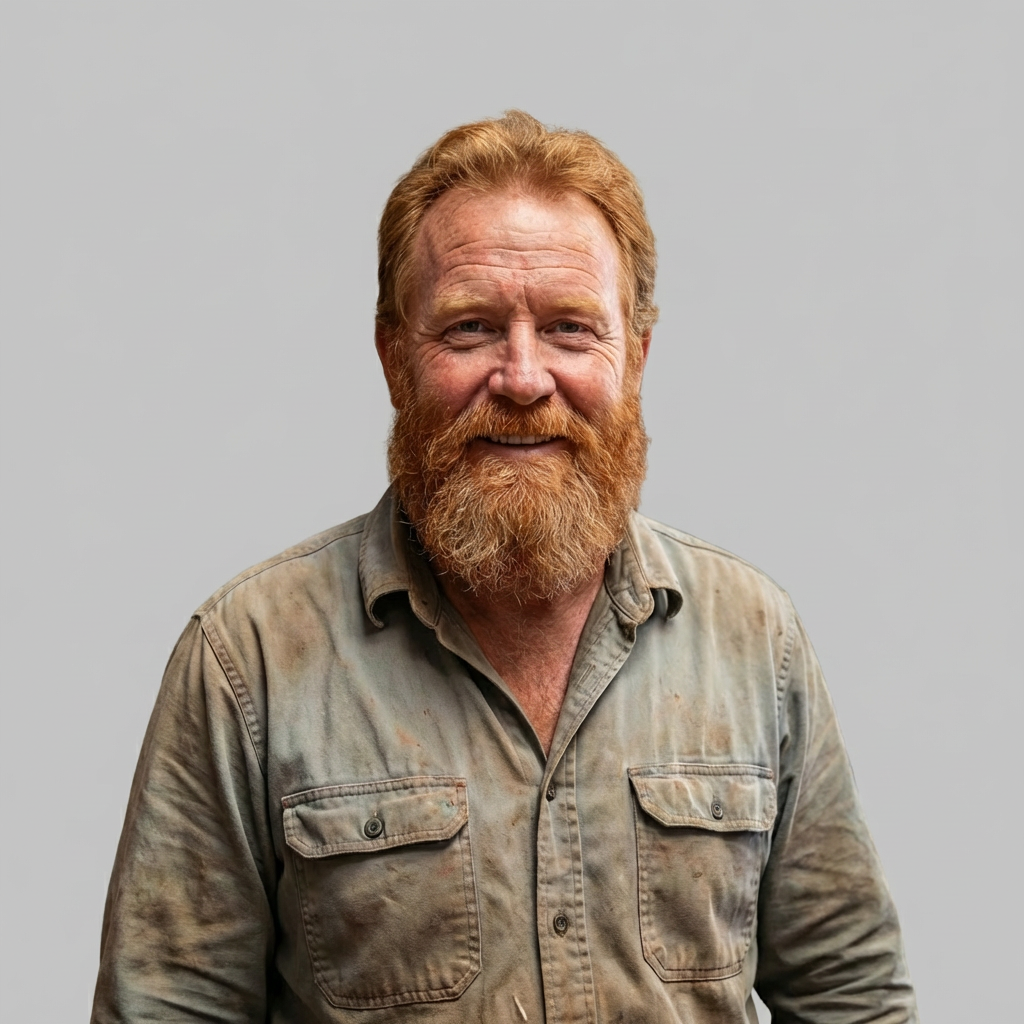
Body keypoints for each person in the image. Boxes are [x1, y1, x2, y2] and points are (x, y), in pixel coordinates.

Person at [92, 111, 917, 1024]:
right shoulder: (247, 662)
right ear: (393, 356)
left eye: (570, 329)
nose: (523, 378)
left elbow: (853, 1000)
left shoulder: (755, 640)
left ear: (635, 357)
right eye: (472, 328)